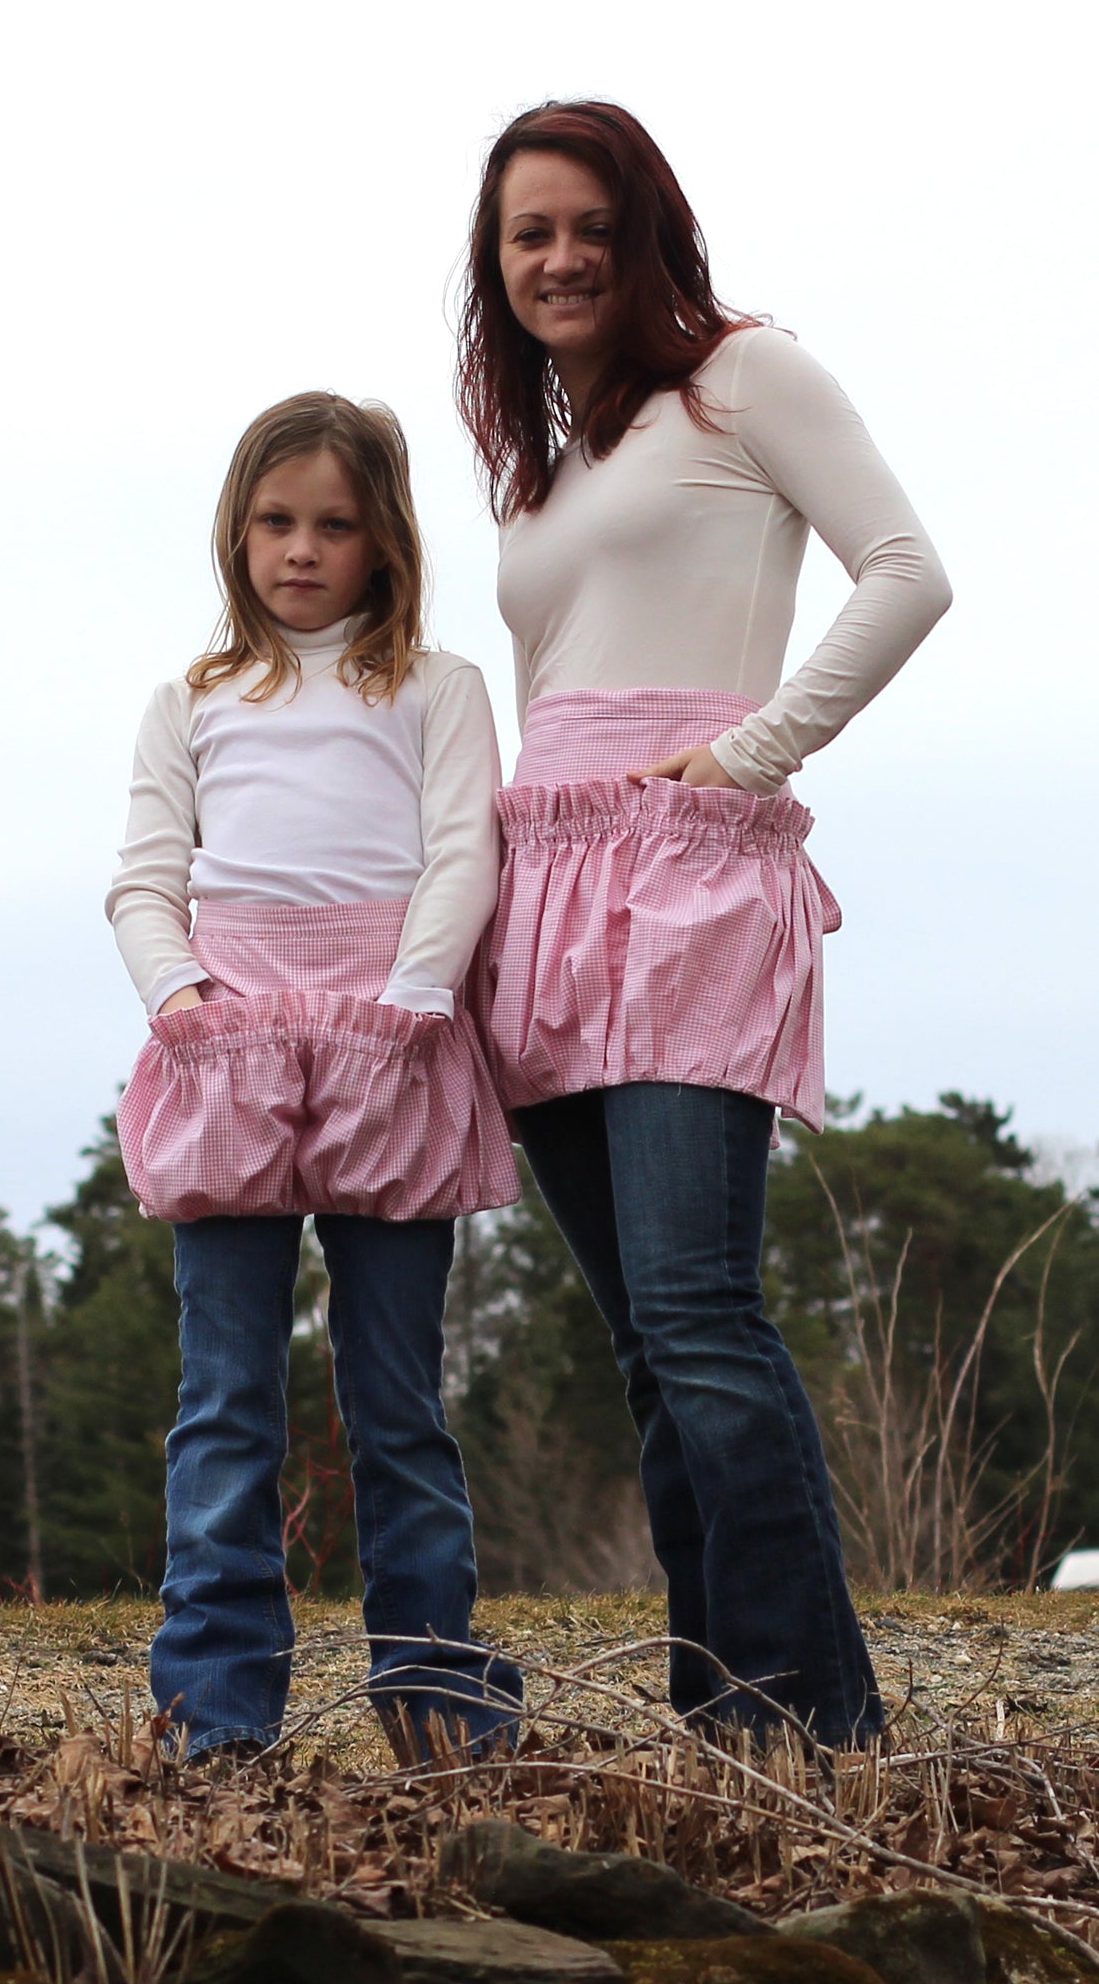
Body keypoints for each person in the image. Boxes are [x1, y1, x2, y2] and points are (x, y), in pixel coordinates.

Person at [456, 101, 952, 1745]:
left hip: (685, 869)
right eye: (528, 234)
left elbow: (905, 571)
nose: (560, 257)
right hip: (543, 887)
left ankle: (813, 1719)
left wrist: (751, 752)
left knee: (696, 1312)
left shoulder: (746, 375)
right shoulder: (542, 463)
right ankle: (724, 1711)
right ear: (495, 263)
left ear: (648, 230)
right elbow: (546, 688)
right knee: (642, 1347)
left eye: (589, 225)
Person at [106, 391, 523, 1761]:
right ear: (238, 533)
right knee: (225, 1399)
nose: (301, 550)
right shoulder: (192, 699)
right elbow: (144, 880)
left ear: (383, 537)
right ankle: (217, 1708)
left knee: (397, 1399)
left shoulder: (437, 689)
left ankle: (436, 1694)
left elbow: (462, 853)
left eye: (334, 525)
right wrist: (181, 999)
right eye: (276, 522)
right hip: (227, 1055)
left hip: (391, 1052)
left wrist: (413, 997)